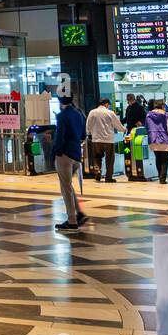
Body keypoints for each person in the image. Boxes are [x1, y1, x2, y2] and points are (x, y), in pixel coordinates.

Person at [51, 94, 89, 232]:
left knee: (65, 188)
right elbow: (83, 135)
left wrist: (55, 152)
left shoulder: (62, 116)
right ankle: (79, 213)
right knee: (68, 185)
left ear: (60, 100)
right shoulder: (78, 113)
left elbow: (59, 137)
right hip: (76, 154)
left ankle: (72, 220)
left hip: (65, 155)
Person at [85, 97, 124, 183]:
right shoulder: (110, 113)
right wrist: (124, 130)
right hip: (108, 140)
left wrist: (89, 134)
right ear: (106, 104)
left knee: (97, 158)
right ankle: (108, 177)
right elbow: (117, 125)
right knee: (109, 159)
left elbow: (88, 125)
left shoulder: (92, 112)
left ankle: (98, 173)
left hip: (96, 140)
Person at [145, 98, 168, 184]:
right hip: (165, 139)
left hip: (153, 139)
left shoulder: (148, 115)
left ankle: (159, 175)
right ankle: (162, 178)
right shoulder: (166, 115)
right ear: (162, 105)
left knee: (158, 158)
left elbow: (146, 127)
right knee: (164, 160)